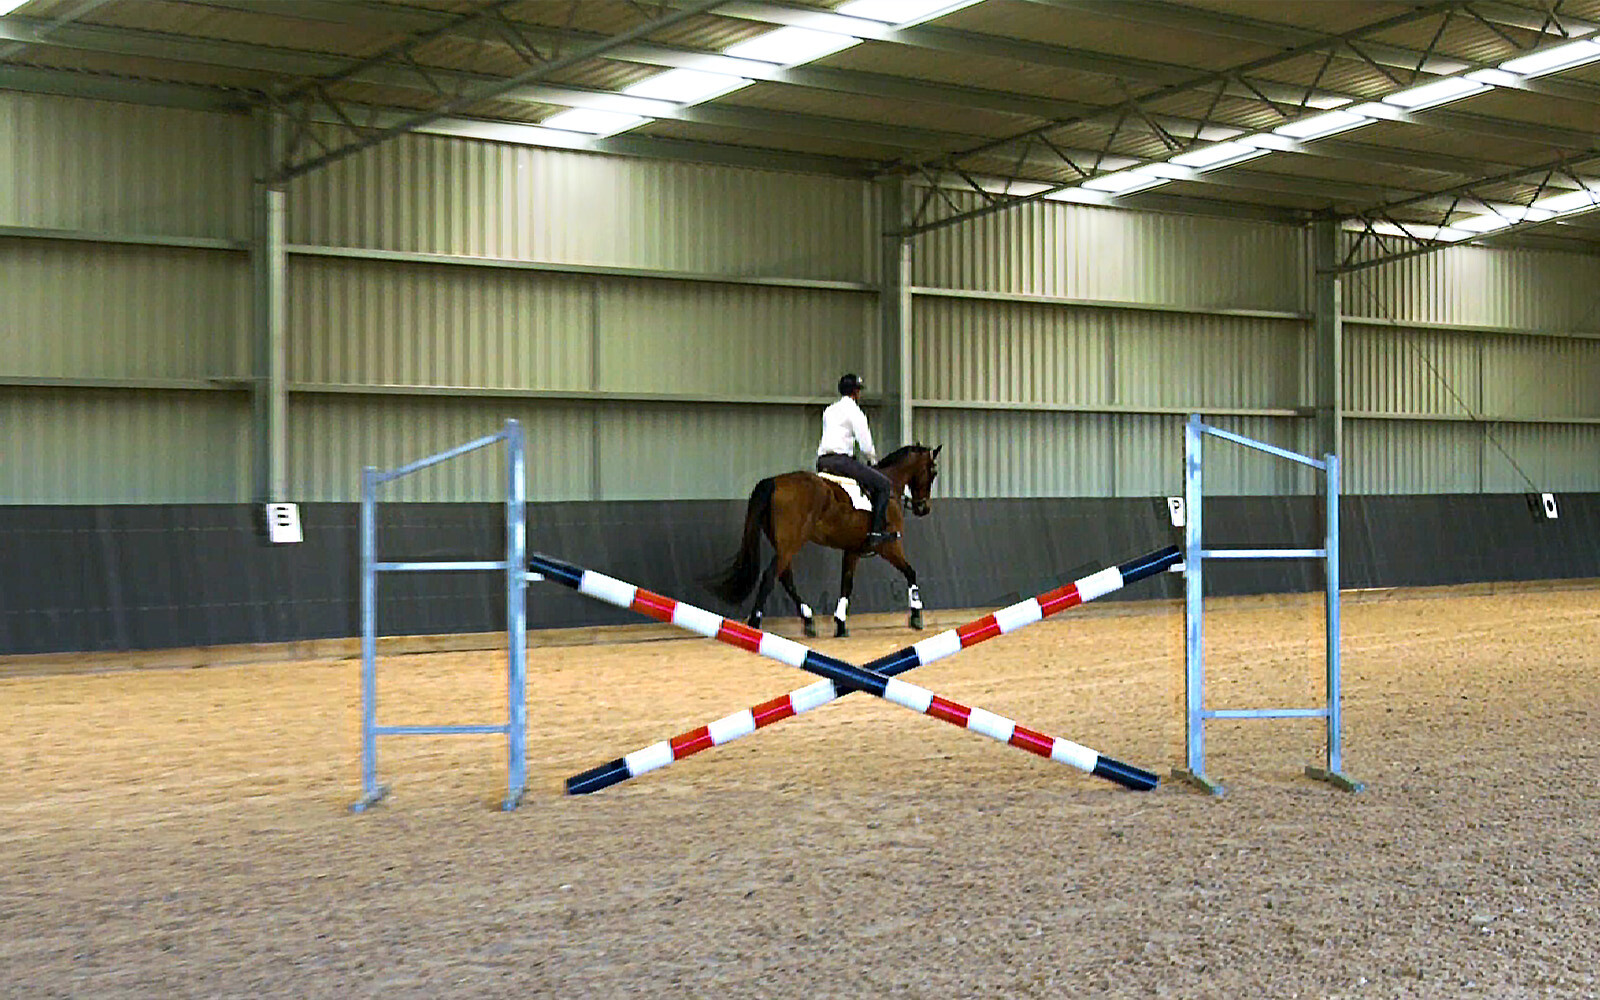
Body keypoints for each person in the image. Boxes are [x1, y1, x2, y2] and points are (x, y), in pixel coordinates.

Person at [816, 373, 898, 547]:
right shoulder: (855, 412)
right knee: (883, 485)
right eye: (859, 391)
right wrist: (872, 461)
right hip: (841, 462)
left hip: (823, 461)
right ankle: (876, 532)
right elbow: (865, 444)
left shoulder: (829, 410)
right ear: (855, 392)